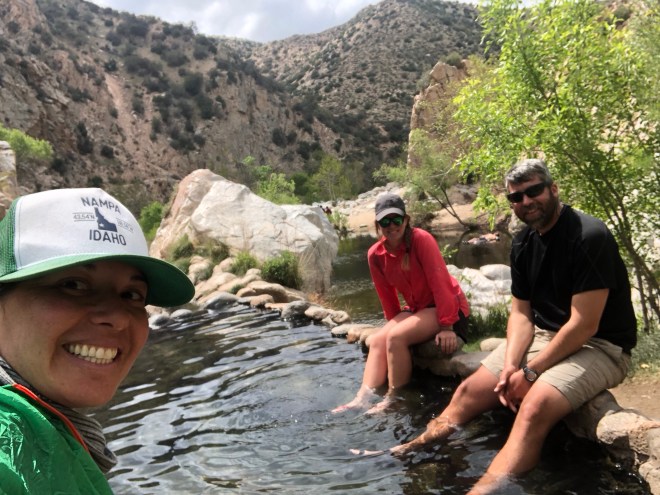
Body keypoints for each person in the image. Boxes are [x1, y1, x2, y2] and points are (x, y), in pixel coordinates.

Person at [390, 159, 637, 494]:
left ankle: (481, 491)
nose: (526, 201)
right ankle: (413, 448)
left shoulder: (588, 236)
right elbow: (521, 314)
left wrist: (530, 373)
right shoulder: (523, 243)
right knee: (467, 393)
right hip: (545, 336)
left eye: (534, 191)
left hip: (601, 346)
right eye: (516, 197)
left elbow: (584, 325)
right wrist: (509, 367)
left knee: (533, 408)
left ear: (553, 189)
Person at [0, 187, 195, 494]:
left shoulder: (49, 434)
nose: (117, 318)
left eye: (132, 295)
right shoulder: (9, 447)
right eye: (73, 284)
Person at [333, 192, 470, 413]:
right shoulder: (375, 254)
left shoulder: (421, 240)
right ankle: (362, 398)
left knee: (396, 338)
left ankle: (394, 398)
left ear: (406, 220)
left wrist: (447, 326)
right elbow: (386, 296)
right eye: (385, 221)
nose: (392, 226)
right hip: (417, 308)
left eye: (396, 219)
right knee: (379, 340)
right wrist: (393, 324)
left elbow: (440, 282)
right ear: (378, 225)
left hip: (448, 307)